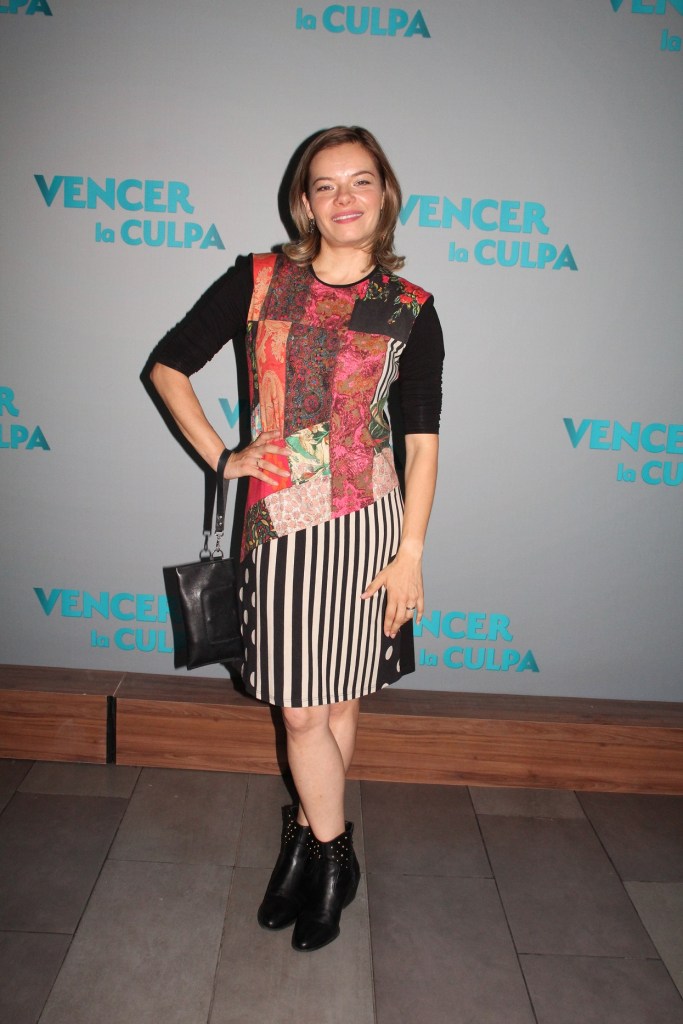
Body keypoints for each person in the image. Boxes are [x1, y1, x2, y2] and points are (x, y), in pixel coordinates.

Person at [150, 126, 444, 952]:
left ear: (384, 194)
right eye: (325, 185)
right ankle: (334, 856)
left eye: (360, 181)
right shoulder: (259, 279)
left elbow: (421, 445)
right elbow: (168, 366)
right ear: (304, 202)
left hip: (368, 526)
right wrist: (223, 456)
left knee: (337, 699)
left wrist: (411, 554)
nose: (344, 198)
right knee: (303, 709)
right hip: (279, 524)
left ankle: (305, 847)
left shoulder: (410, 308)